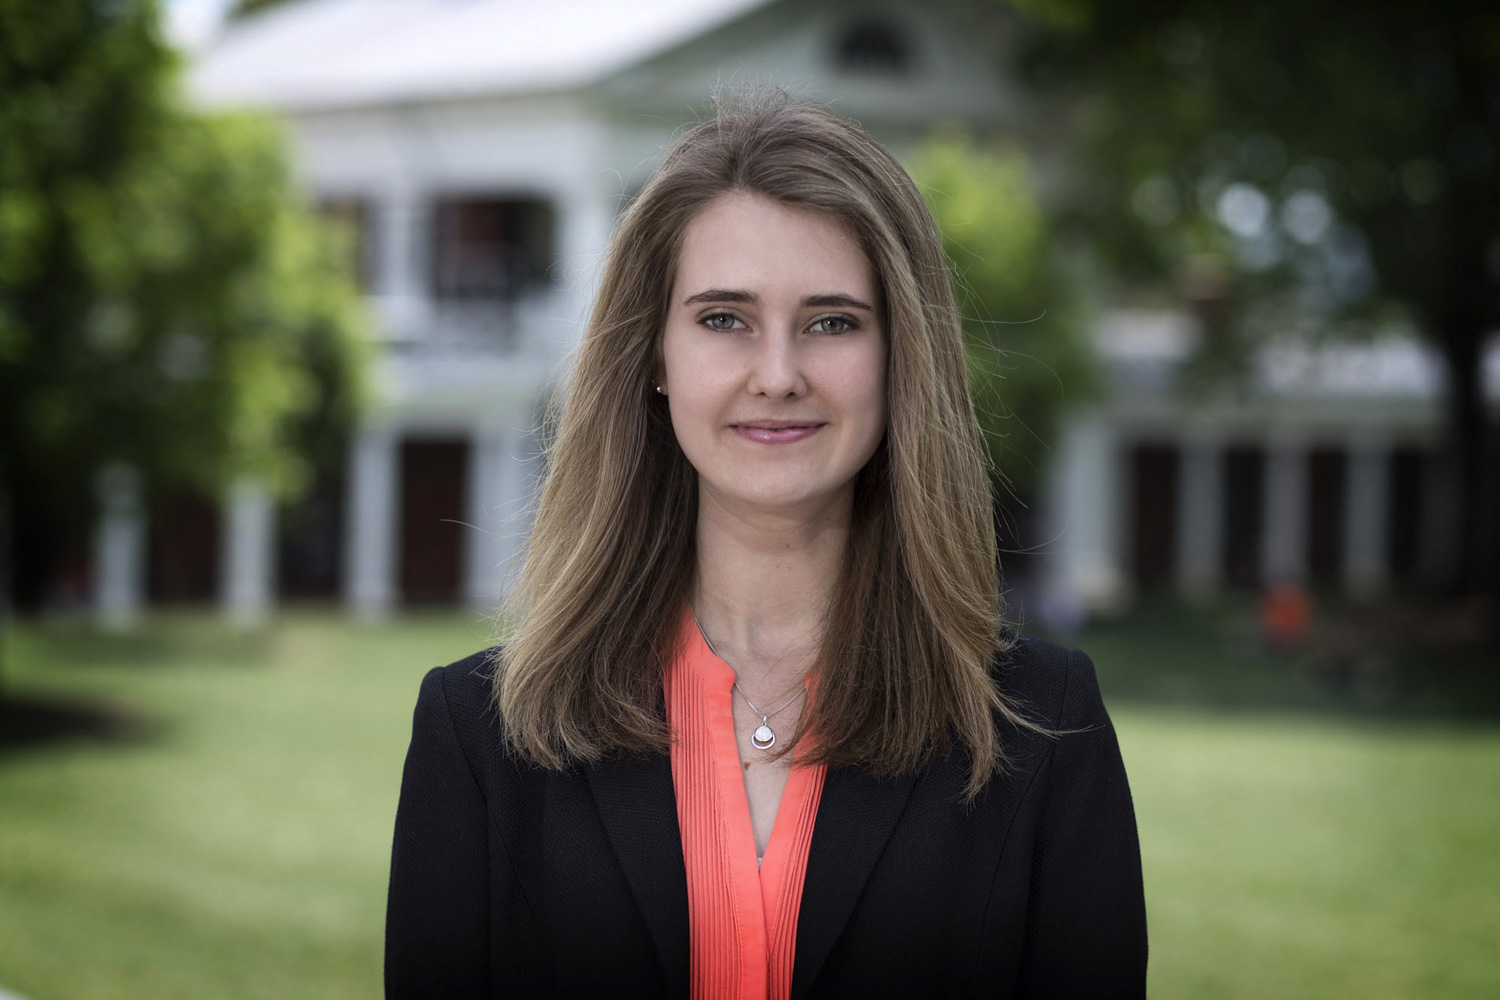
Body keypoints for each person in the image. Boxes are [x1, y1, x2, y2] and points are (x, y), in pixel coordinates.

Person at [385, 93, 1147, 999]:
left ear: (902, 355)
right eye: (722, 318)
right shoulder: (481, 731)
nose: (778, 375)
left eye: (832, 322)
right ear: (653, 358)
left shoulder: (1042, 727)